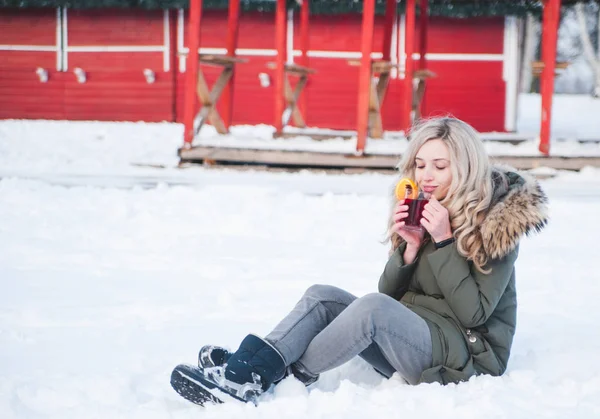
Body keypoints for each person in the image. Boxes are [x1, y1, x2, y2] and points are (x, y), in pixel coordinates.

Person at [170, 117, 549, 405]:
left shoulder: (496, 223)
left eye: (440, 166)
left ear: (464, 167)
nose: (426, 176)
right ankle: (255, 363)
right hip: (417, 335)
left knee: (371, 311)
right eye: (420, 165)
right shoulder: (424, 208)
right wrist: (411, 249)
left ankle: (271, 376)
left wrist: (446, 241)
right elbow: (389, 294)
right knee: (323, 296)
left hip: (465, 357)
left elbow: (474, 315)